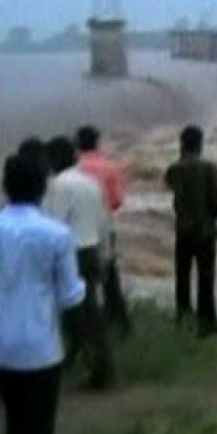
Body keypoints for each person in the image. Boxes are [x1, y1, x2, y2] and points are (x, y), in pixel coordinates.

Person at [0, 154, 85, 434]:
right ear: (42, 188)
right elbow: (70, 295)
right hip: (40, 350)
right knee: (37, 426)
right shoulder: (58, 234)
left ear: (5, 186)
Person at [43, 137, 114, 389]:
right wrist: (106, 254)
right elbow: (104, 220)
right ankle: (97, 368)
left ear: (52, 160)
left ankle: (89, 370)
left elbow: (53, 223)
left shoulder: (58, 186)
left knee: (69, 315)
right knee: (91, 314)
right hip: (92, 249)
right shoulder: (91, 182)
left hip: (71, 253)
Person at [164, 126, 217, 338]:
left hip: (182, 230)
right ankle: (207, 324)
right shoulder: (209, 168)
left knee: (182, 277)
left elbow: (170, 185)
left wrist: (181, 156)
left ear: (182, 144)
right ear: (201, 144)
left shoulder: (175, 169)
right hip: (205, 231)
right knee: (206, 278)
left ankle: (183, 319)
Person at [75, 125, 131, 337]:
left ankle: (84, 325)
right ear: (97, 142)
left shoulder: (74, 169)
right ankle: (119, 322)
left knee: (81, 276)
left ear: (77, 144)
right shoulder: (110, 167)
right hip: (104, 226)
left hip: (77, 229)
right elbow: (116, 202)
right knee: (109, 275)